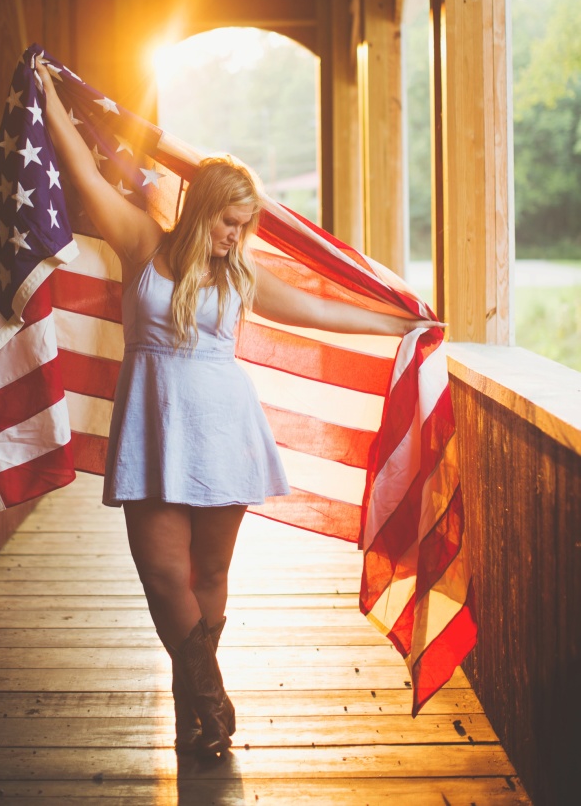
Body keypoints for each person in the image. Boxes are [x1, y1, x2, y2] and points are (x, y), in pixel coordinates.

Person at [36, 58, 440, 758]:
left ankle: (192, 719)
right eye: (229, 222)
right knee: (163, 576)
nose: (236, 235)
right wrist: (45, 91)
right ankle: (212, 695)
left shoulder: (243, 274)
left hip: (225, 430)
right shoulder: (144, 245)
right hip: (154, 425)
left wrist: (401, 326)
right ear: (203, 210)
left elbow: (318, 309)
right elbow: (86, 175)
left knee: (211, 577)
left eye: (245, 225)